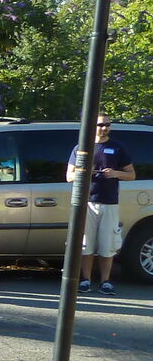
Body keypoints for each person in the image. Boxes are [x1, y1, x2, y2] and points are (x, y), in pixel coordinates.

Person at [69, 114, 135, 296]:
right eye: (100, 124)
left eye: (107, 125)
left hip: (110, 203)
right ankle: (86, 280)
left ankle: (106, 281)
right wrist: (85, 173)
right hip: (87, 203)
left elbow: (131, 175)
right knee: (86, 244)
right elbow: (69, 176)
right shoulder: (82, 148)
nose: (104, 128)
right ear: (93, 126)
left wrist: (115, 173)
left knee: (107, 245)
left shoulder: (117, 148)